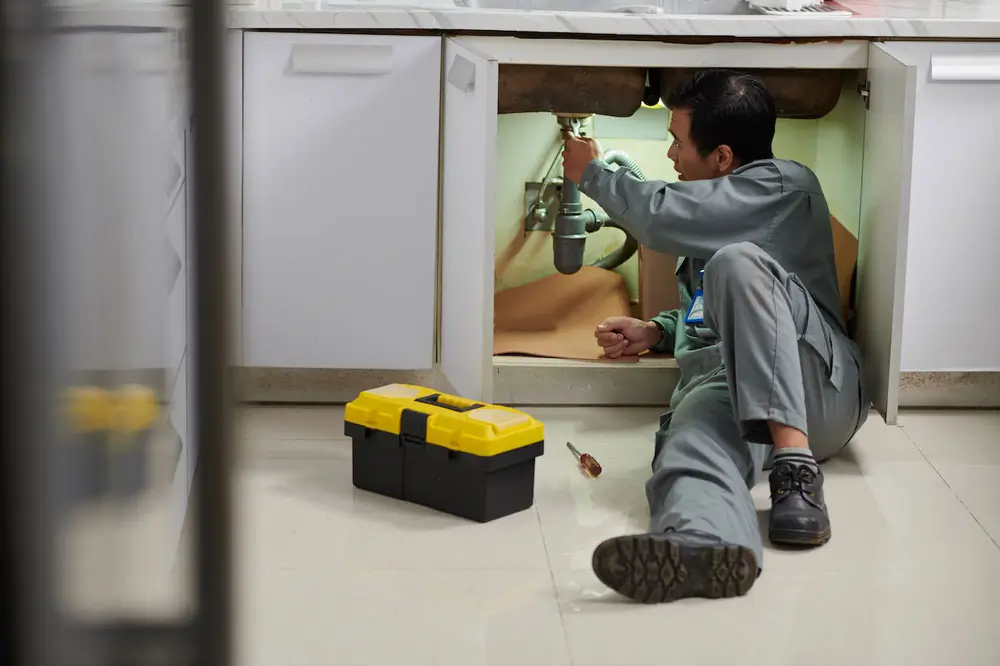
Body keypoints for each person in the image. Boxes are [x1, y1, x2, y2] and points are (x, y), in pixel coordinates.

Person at [560, 69, 868, 604]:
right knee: (691, 443)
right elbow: (713, 315)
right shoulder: (709, 221)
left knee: (736, 263)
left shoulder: (785, 187)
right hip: (736, 388)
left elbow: (662, 219)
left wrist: (594, 175)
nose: (672, 156)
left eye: (678, 143)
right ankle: (701, 543)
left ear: (722, 157)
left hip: (816, 388)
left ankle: (796, 471)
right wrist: (657, 330)